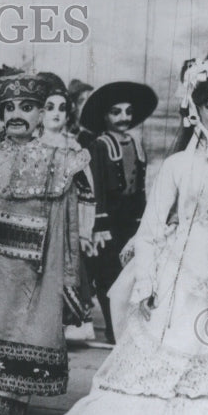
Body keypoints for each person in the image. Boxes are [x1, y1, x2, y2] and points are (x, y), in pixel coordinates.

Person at [50, 53, 208, 415]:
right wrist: (146, 279)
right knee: (167, 340)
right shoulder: (178, 166)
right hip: (181, 263)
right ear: (196, 109)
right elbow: (149, 229)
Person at [0, 72, 88, 415]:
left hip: (35, 269)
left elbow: (67, 225)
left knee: (24, 326)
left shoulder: (60, 161)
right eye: (9, 107)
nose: (16, 114)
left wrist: (67, 276)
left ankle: (4, 405)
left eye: (27, 107)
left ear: (42, 113)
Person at [81, 80, 158, 343]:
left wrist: (143, 219)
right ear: (104, 116)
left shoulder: (135, 144)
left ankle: (129, 328)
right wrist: (99, 223)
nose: (124, 117)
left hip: (130, 219)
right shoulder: (100, 145)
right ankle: (114, 329)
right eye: (116, 112)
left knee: (131, 273)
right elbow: (97, 187)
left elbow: (140, 186)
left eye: (127, 112)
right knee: (108, 275)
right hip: (108, 220)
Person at [40, 86, 98, 341]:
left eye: (62, 108)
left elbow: (87, 191)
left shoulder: (73, 147)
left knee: (65, 268)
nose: (56, 113)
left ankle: (66, 325)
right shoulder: (31, 144)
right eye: (50, 107)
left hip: (64, 219)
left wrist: (85, 231)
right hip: (36, 216)